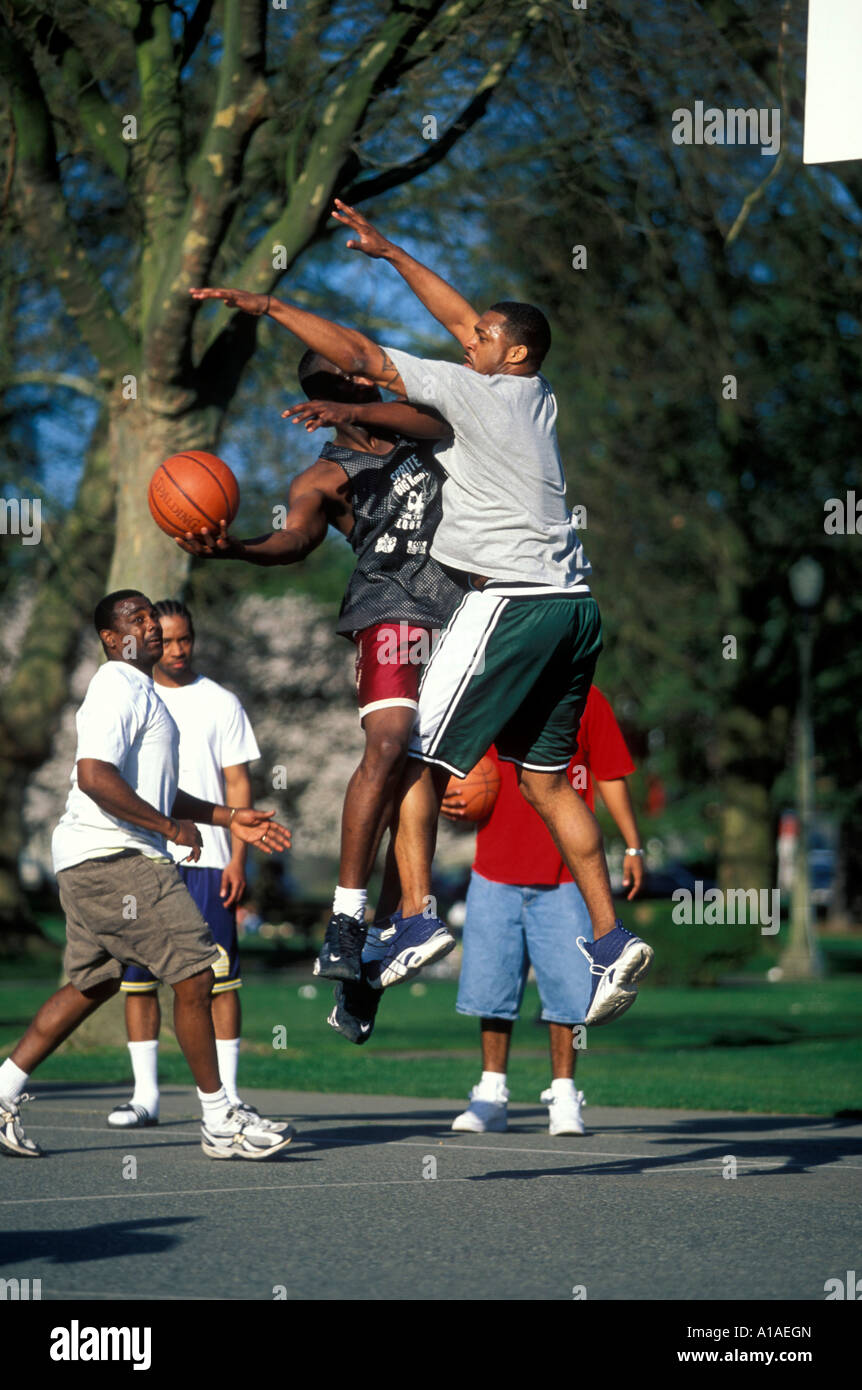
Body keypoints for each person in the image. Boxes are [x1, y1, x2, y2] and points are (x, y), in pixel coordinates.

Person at [188, 198, 654, 1028]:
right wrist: (392, 252)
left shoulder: (469, 398)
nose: (463, 340)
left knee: (409, 756)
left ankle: (399, 920)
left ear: (503, 354)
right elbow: (464, 322)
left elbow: (367, 354)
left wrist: (269, 306)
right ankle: (612, 940)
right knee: (545, 783)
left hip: (510, 602)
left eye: (479, 340)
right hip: (576, 608)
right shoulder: (532, 393)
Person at [177, 350, 466, 1025]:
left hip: (463, 615)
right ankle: (345, 920)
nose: (374, 370)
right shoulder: (324, 474)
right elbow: (296, 536)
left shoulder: (424, 426)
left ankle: (376, 958)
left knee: (422, 774)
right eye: (358, 370)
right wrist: (240, 548)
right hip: (389, 612)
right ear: (334, 387)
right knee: (391, 746)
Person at [0, 592, 293, 1161]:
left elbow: (155, 789)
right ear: (111, 639)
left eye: (150, 616)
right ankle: (219, 1118)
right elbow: (93, 777)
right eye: (136, 619)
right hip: (116, 858)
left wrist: (230, 817)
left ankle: (2, 1089)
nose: (151, 626)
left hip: (94, 858)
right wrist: (168, 828)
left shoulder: (144, 692)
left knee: (96, 983)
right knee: (195, 971)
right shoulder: (115, 685)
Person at [441, 686, 644, 1135]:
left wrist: (632, 843)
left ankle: (565, 1095)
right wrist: (451, 797)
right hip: (494, 870)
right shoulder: (494, 693)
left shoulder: (586, 698)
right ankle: (490, 1094)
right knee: (491, 993)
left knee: (571, 995)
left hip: (568, 875)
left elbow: (610, 772)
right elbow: (457, 767)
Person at [107, 599, 263, 1129]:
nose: (175, 649)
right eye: (166, 640)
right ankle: (145, 1095)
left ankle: (232, 1096)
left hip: (211, 860)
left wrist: (239, 859)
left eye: (184, 640)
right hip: (145, 858)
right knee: (139, 978)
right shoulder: (132, 695)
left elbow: (239, 786)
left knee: (217, 982)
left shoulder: (221, 702)